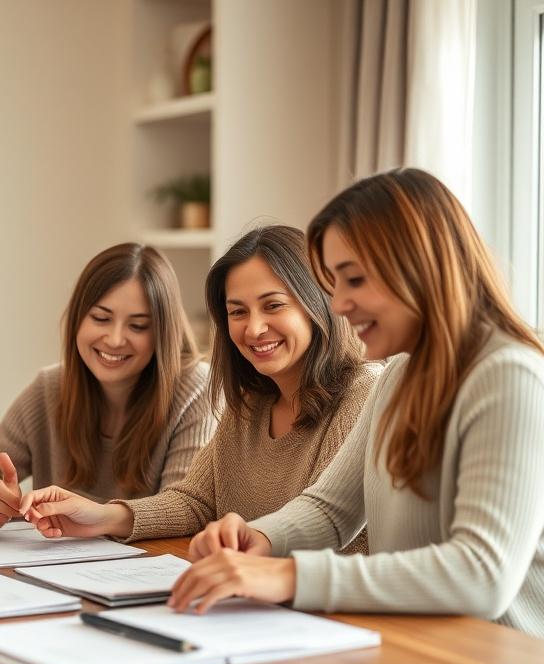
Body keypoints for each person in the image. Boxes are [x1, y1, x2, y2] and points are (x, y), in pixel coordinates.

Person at [170, 169, 544, 664]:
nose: (339, 303)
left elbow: (482, 575)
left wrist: (289, 578)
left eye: (353, 280)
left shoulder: (511, 378)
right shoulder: (402, 375)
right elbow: (331, 509)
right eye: (334, 281)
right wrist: (260, 539)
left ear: (418, 265)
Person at [19, 225, 378, 551]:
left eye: (273, 306)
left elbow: (324, 526)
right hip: (258, 601)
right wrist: (101, 516)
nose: (253, 329)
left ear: (319, 304)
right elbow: (195, 501)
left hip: (331, 613)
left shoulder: (363, 395)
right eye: (237, 312)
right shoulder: (251, 405)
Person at [0, 243, 216, 529]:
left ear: (162, 334)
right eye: (101, 318)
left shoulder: (197, 388)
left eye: (138, 326)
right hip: (53, 567)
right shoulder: (50, 387)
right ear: (78, 319)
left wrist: (101, 517)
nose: (115, 339)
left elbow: (184, 508)